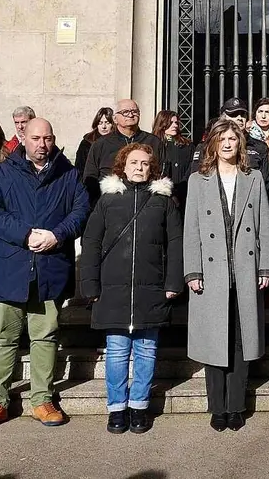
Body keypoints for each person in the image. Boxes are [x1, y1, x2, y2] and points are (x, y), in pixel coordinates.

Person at [0, 118, 90, 433]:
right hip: (10, 266)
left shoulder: (69, 174)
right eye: (35, 138)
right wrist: (25, 235)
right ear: (24, 139)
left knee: (45, 335)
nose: (41, 144)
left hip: (49, 267)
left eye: (47, 139)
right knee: (3, 337)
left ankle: (42, 399)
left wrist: (57, 235)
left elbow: (80, 211)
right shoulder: (4, 172)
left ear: (53, 139)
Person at [80, 143, 183, 435]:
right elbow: (92, 243)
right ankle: (116, 408)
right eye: (134, 162)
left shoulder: (163, 202)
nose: (139, 167)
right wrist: (90, 284)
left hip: (151, 288)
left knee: (147, 351)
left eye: (145, 163)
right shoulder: (108, 200)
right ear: (122, 166)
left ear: (152, 169)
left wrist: (173, 282)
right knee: (116, 352)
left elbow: (175, 243)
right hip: (113, 290)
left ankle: (139, 405)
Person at [184, 120, 269, 432]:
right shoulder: (198, 180)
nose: (227, 144)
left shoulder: (254, 178)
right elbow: (191, 229)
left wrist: (266, 267)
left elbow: (264, 224)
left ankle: (236, 406)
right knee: (213, 339)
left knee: (240, 340)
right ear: (212, 145)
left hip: (245, 271)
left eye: (232, 139)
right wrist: (192, 270)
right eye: (222, 139)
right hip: (211, 273)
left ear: (240, 144)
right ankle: (217, 407)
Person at [83, 100, 163, 202]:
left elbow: (161, 173)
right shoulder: (100, 144)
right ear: (115, 119)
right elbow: (90, 177)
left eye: (134, 111)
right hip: (110, 203)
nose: (130, 115)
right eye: (125, 112)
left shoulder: (153, 142)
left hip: (146, 201)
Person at [192, 98, 269, 193]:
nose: (239, 118)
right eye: (234, 115)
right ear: (223, 118)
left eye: (243, 115)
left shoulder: (259, 147)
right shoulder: (206, 146)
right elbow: (197, 180)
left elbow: (265, 184)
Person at [152, 110, 194, 195]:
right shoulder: (153, 144)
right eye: (170, 122)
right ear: (162, 123)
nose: (175, 125)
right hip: (160, 192)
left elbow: (192, 166)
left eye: (176, 123)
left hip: (184, 191)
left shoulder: (187, 145)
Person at [74, 107, 114, 173]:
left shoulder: (118, 141)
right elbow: (80, 167)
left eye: (107, 123)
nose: (104, 127)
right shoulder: (87, 143)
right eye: (100, 123)